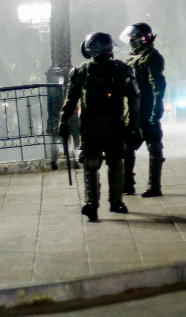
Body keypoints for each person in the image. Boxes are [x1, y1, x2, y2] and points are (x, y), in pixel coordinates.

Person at [59, 33, 139, 221]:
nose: (107, 51)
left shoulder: (121, 70)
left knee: (116, 162)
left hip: (113, 123)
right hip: (91, 124)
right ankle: (92, 204)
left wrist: (132, 123)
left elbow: (134, 97)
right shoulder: (82, 72)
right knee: (91, 163)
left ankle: (116, 202)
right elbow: (71, 99)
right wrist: (63, 120)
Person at [120, 22, 167, 198]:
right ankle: (127, 184)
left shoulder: (152, 57)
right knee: (127, 146)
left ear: (143, 38)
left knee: (153, 146)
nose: (131, 41)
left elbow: (157, 83)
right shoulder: (135, 57)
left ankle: (154, 186)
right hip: (134, 109)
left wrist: (157, 106)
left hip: (146, 108)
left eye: (133, 38)